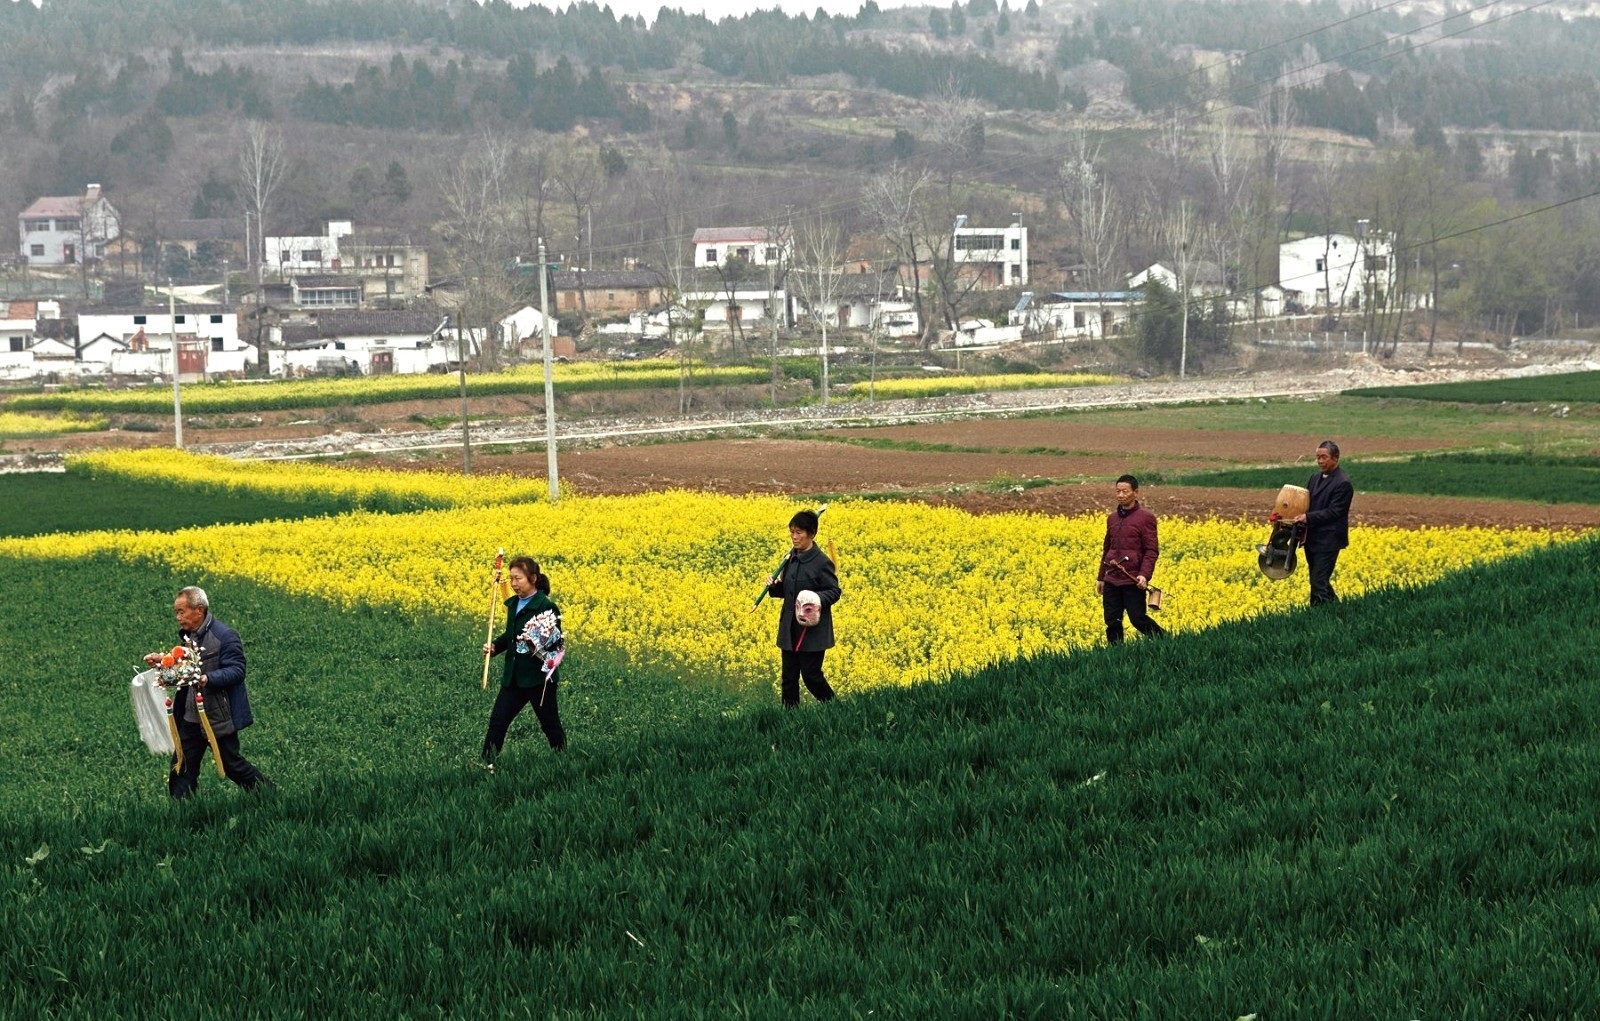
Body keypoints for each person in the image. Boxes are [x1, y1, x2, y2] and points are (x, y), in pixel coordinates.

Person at [143, 586, 271, 798]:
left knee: (231, 765)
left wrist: (207, 678)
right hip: (190, 717)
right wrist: (163, 662)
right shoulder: (189, 636)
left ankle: (269, 794)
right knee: (182, 766)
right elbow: (185, 666)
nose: (178, 617)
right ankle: (182, 814)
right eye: (177, 612)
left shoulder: (225, 636)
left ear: (199, 610)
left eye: (182, 612)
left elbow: (237, 670)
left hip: (217, 716)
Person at [481, 556, 566, 766]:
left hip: (538, 679)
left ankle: (564, 758)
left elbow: (555, 644)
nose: (514, 583)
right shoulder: (513, 604)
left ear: (533, 579)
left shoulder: (546, 607)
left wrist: (534, 643)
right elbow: (511, 634)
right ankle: (487, 763)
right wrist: (495, 647)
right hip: (514, 678)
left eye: (518, 578)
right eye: (511, 579)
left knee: (549, 724)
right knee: (498, 721)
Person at [766, 509, 840, 708]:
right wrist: (775, 587)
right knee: (788, 679)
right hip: (790, 627)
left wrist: (815, 599)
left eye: (799, 532)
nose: (794, 537)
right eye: (791, 532)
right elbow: (789, 591)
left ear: (811, 534)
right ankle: (790, 718)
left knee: (811, 676)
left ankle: (837, 709)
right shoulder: (790, 558)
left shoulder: (821, 562)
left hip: (812, 630)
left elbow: (834, 591)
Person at [1097, 474, 1166, 645]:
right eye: (1118, 491)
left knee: (1138, 619)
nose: (1120, 495)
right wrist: (1101, 577)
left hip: (1132, 578)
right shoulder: (1112, 518)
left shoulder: (1146, 518)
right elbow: (1107, 549)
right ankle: (1116, 656)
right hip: (1112, 577)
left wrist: (1144, 575)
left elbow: (1151, 550)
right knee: (1112, 622)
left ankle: (1167, 641)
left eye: (1125, 491)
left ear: (1135, 493)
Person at [1293, 439, 1353, 605]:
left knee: (1318, 582)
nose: (1320, 461)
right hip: (1312, 538)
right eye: (1317, 457)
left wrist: (1308, 517)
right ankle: (1336, 610)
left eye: (1324, 457)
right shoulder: (1314, 478)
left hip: (1329, 540)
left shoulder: (1343, 483)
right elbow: (1306, 501)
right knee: (1317, 581)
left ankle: (1322, 617)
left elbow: (1335, 512)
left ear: (1336, 458)